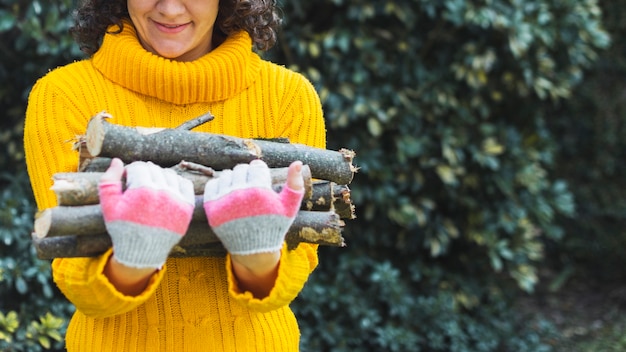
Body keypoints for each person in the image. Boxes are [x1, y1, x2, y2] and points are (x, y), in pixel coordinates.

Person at [23, 0, 326, 350]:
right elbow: (80, 283)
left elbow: (290, 273)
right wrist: (136, 253)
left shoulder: (287, 98)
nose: (169, 9)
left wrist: (256, 250)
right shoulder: (65, 95)